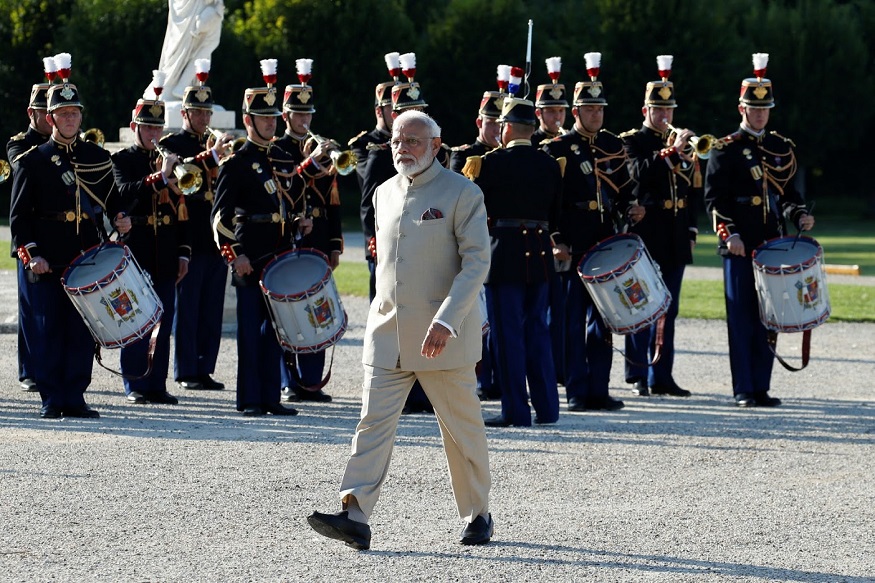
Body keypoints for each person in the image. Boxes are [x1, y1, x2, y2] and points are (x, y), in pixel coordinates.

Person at [307, 110, 493, 550]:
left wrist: (447, 320)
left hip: (442, 333)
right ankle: (355, 514)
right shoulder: (383, 193)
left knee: (460, 431)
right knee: (371, 424)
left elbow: (476, 263)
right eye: (396, 140)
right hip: (388, 330)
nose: (401, 148)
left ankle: (477, 513)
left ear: (435, 145)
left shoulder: (464, 193)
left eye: (412, 141)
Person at [10, 58, 131, 418]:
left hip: (85, 257)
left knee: (81, 331)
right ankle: (51, 398)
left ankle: (75, 396)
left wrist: (122, 218)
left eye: (74, 113)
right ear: (49, 119)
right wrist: (32, 254)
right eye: (62, 114)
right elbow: (19, 217)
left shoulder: (95, 156)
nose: (69, 119)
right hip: (49, 257)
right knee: (48, 330)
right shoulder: (33, 161)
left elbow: (113, 199)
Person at [704, 53, 814, 408]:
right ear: (742, 108)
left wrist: (800, 216)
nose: (761, 114)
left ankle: (762, 386)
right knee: (741, 318)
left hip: (773, 245)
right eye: (754, 108)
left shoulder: (782, 148)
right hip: (739, 246)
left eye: (765, 108)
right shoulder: (724, 149)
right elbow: (714, 200)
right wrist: (729, 235)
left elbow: (790, 196)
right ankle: (743, 388)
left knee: (770, 316)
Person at [542, 52, 643, 412]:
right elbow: (549, 202)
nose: (596, 114)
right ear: (576, 112)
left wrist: (633, 206)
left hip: (605, 240)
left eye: (600, 108)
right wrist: (556, 240)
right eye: (589, 108)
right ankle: (577, 390)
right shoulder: (557, 148)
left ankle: (599, 388)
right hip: (574, 240)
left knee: (604, 319)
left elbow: (624, 188)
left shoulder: (614, 145)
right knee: (571, 322)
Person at [211, 59, 307, 417]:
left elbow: (291, 199)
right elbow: (219, 217)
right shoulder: (236, 161)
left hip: (280, 255)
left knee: (277, 331)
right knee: (252, 333)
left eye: (273, 118)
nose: (271, 123)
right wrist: (235, 254)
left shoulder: (283, 155)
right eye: (263, 118)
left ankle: (271, 397)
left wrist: (299, 220)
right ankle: (250, 399)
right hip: (250, 255)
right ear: (248, 121)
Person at [464, 91, 562, 428]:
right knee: (538, 331)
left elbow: (472, 213)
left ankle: (516, 411)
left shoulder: (488, 164)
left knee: (507, 337)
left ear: (506, 128)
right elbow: (556, 215)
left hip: (504, 255)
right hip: (539, 256)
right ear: (532, 128)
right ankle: (548, 409)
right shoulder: (550, 164)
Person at [362, 51, 450, 415]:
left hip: (425, 252)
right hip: (391, 254)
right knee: (392, 325)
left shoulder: (430, 150)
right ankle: (393, 390)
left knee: (425, 319)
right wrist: (378, 242)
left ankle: (423, 390)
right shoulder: (384, 155)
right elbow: (369, 205)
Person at [621, 55, 697, 398]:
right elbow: (636, 173)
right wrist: (669, 152)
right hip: (648, 233)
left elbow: (690, 189)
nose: (665, 116)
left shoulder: (683, 146)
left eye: (669, 110)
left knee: (670, 307)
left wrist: (693, 230)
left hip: (676, 234)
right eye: (658, 110)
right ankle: (638, 372)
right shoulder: (633, 141)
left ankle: (661, 374)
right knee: (642, 303)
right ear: (645, 111)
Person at [111, 74, 188, 405]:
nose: (155, 134)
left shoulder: (170, 159)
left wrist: (184, 253)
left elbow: (183, 209)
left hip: (167, 251)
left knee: (164, 319)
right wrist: (159, 177)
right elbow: (122, 195)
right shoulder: (122, 161)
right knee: (137, 319)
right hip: (138, 249)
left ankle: (157, 383)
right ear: (135, 127)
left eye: (158, 129)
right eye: (148, 128)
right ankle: (135, 384)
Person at [160, 59, 232, 392]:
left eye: (207, 114)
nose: (203, 119)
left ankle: (205, 367)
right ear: (185, 114)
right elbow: (182, 170)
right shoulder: (175, 145)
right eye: (197, 113)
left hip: (217, 239)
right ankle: (186, 369)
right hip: (189, 237)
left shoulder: (215, 145)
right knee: (187, 310)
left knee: (211, 309)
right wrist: (211, 157)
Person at [274, 57, 343, 403]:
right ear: (285, 117)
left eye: (308, 115)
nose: (305, 121)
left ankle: (312, 380)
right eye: (299, 116)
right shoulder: (278, 149)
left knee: (316, 308)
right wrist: (312, 161)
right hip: (289, 237)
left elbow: (332, 203)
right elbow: (285, 184)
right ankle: (291, 380)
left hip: (317, 238)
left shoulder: (321, 148)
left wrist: (334, 244)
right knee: (290, 310)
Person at [449, 81, 502, 401]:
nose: (496, 128)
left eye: (501, 122)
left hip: (505, 245)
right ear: (479, 123)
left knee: (503, 317)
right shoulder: (466, 156)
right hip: (475, 246)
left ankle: (499, 377)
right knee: (476, 317)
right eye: (491, 121)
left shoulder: (514, 155)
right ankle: (480, 378)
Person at [6, 58, 54, 393]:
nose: (50, 119)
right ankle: (29, 370)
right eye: (44, 113)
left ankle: (53, 367)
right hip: (32, 234)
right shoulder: (19, 144)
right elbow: (25, 168)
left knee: (56, 311)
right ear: (32, 113)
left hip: (61, 234)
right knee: (31, 308)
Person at [350, 53, 398, 302]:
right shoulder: (363, 144)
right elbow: (369, 179)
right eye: (393, 108)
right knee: (380, 303)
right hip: (381, 227)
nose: (398, 113)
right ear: (379, 109)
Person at [157, 0, 225, 99]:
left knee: (206, 43)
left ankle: (183, 86)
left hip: (197, 7)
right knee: (204, 43)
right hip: (194, 6)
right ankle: (181, 86)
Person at [532, 57, 569, 145]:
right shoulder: (531, 143)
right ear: (538, 113)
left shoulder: (571, 141)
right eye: (551, 111)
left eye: (561, 110)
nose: (557, 116)